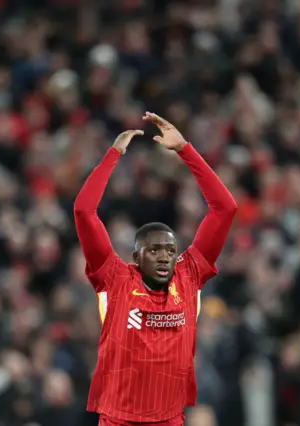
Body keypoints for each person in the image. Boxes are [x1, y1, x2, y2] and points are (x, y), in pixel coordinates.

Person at [73, 112, 238, 426]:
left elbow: (225, 209)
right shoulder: (115, 278)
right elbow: (83, 211)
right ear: (136, 257)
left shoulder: (189, 274)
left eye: (171, 250)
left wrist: (185, 150)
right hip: (118, 420)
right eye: (154, 250)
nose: (165, 257)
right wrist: (113, 155)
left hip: (169, 420)